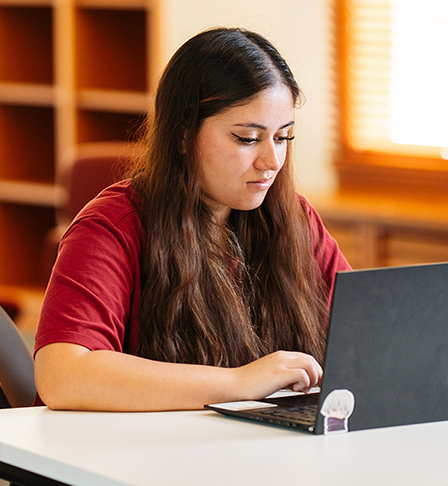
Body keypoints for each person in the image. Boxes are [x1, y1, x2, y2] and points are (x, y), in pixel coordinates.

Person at [34, 27, 351, 411]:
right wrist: (240, 381)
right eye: (247, 138)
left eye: (283, 138)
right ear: (184, 136)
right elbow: (63, 375)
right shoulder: (114, 225)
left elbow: (363, 334)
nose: (271, 162)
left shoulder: (294, 218)